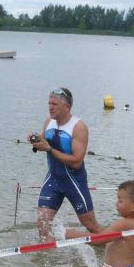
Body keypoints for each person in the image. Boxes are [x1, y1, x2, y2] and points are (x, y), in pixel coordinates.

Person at [28, 87, 103, 241]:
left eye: (54, 104)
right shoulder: (48, 122)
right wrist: (36, 141)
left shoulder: (79, 127)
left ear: (67, 106)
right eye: (49, 103)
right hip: (53, 179)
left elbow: (76, 162)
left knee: (91, 225)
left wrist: (49, 149)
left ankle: (114, 246)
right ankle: (48, 256)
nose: (50, 107)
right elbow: (44, 143)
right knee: (43, 224)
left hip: (74, 181)